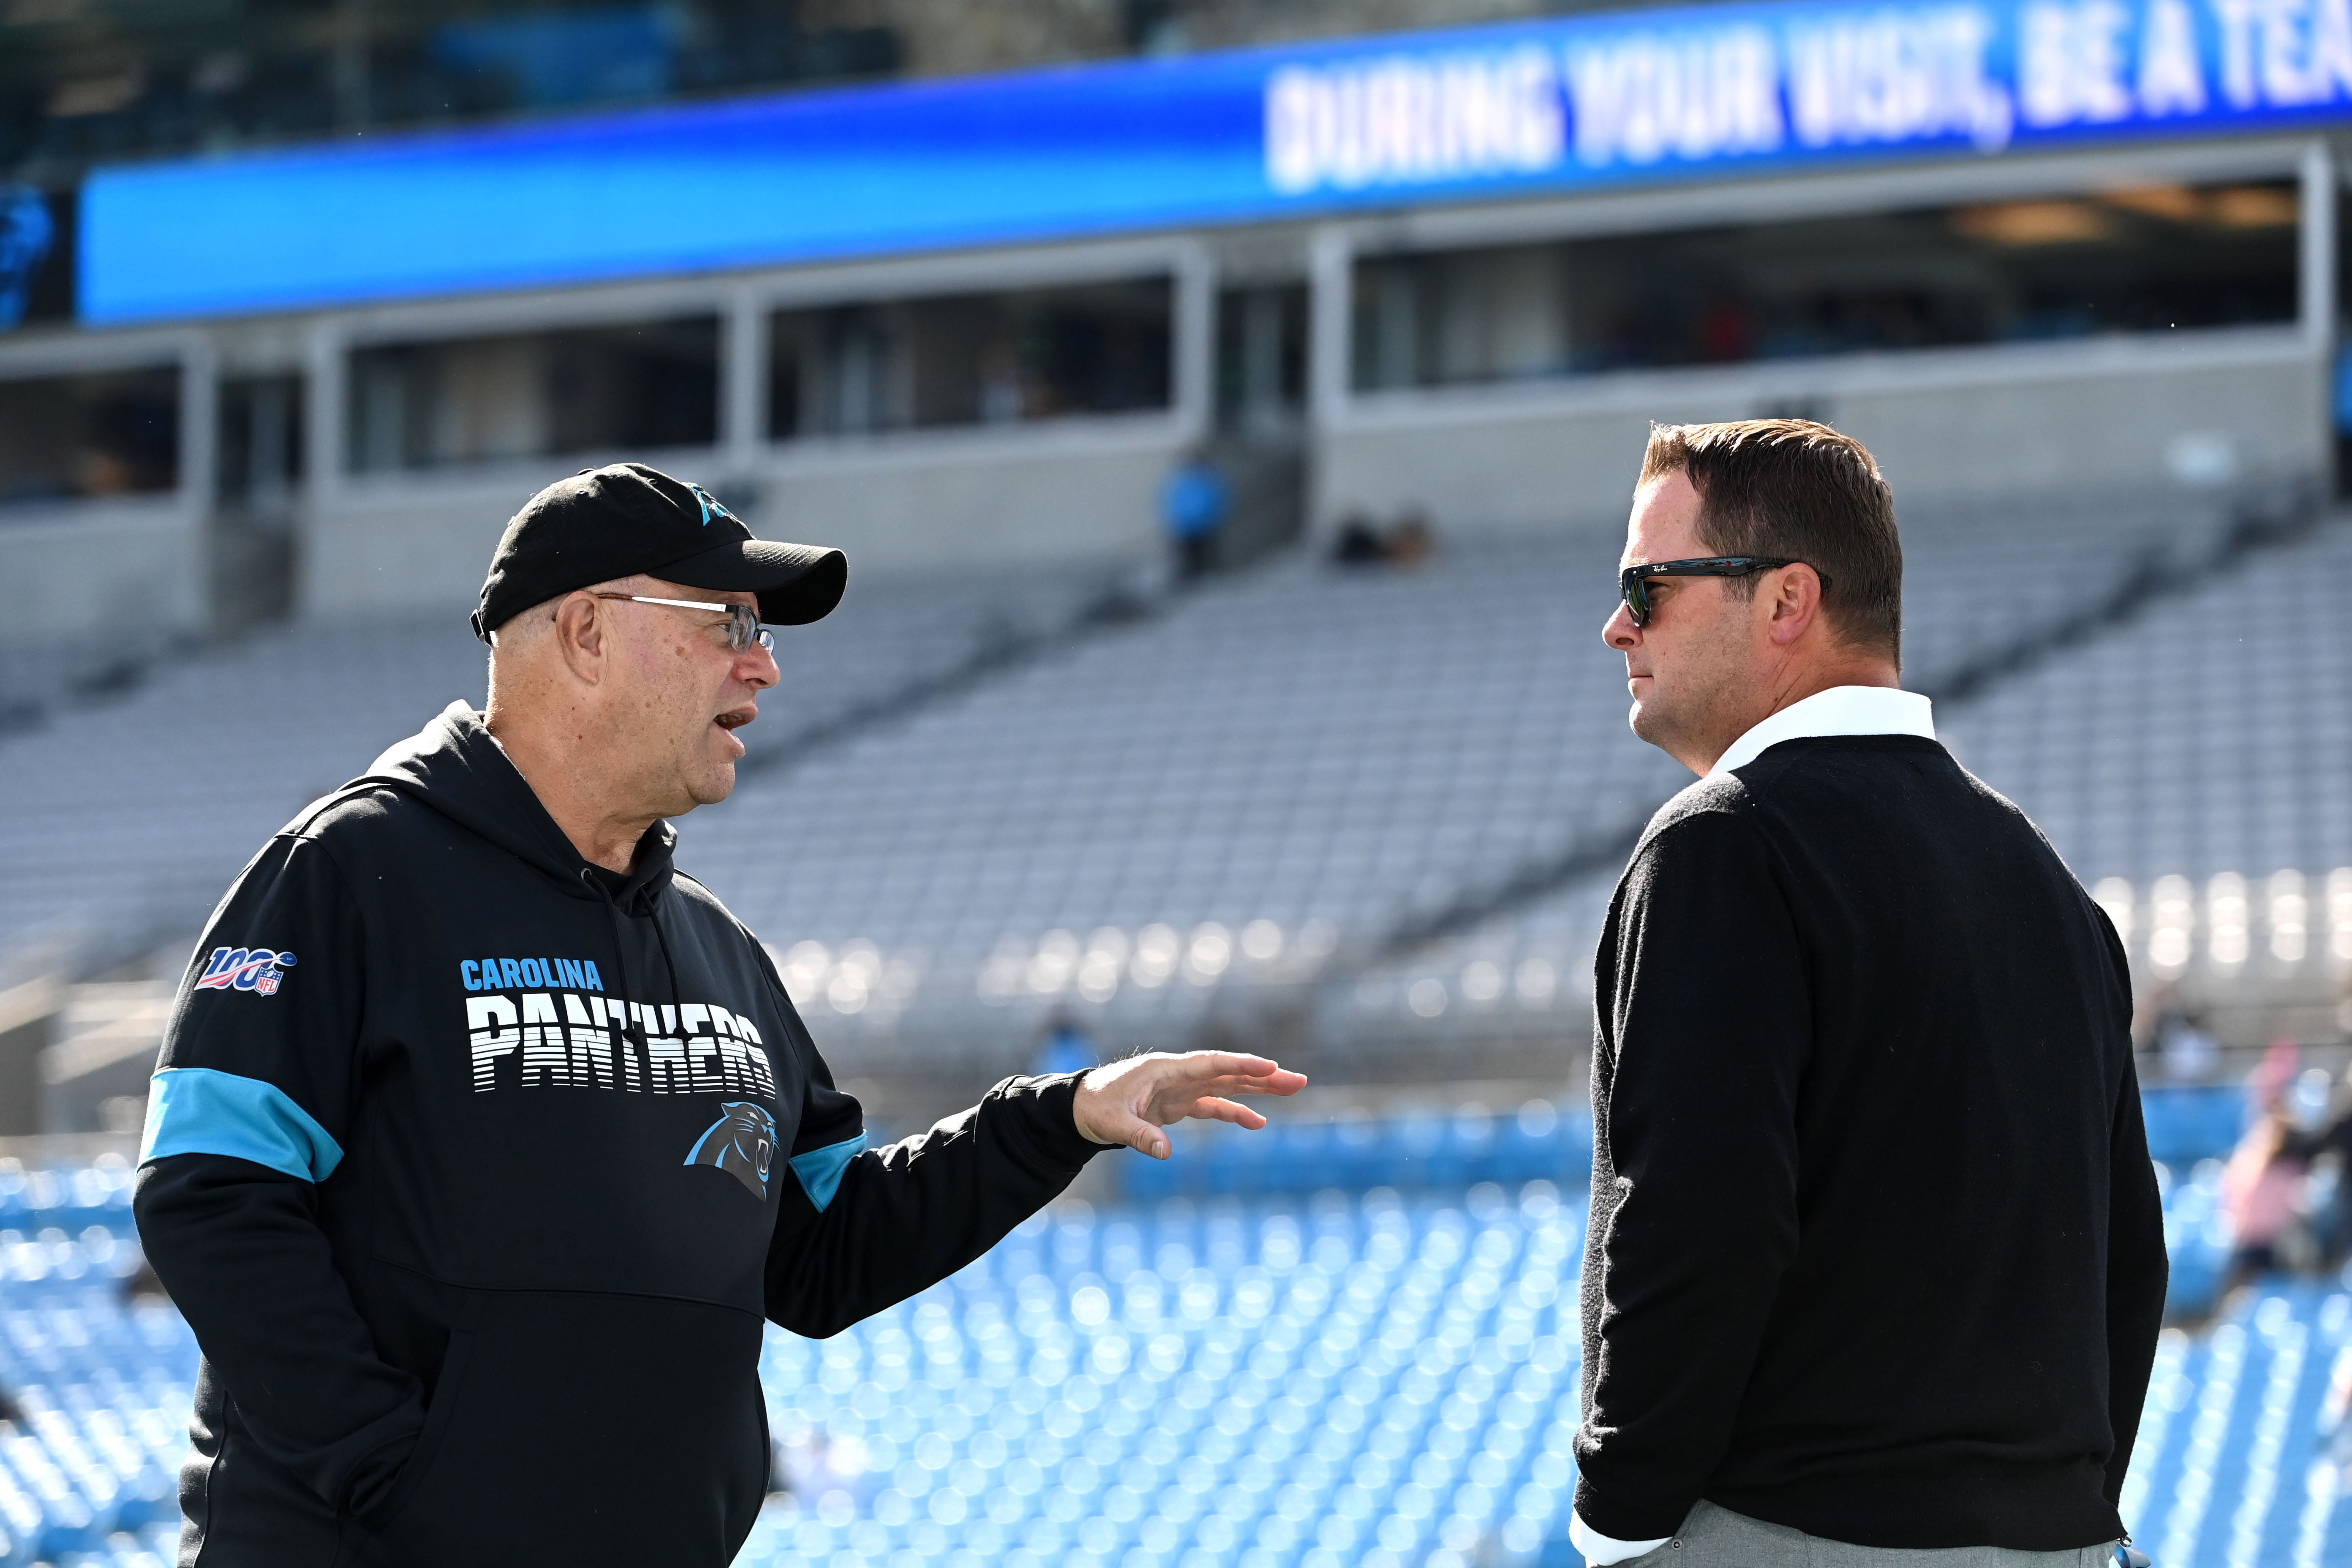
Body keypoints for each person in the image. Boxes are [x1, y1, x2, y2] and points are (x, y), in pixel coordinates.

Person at [132, 463, 1306, 1567]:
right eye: (728, 625)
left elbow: (827, 1250)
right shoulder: (352, 871)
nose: (765, 667)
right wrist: (395, 1478)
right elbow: (212, 1193)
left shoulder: (715, 946)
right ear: (587, 632)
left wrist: (1059, 1122)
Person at [1571, 421, 2167, 1567]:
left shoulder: (1722, 849)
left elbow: (1698, 1227)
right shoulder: (2049, 884)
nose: (1618, 626)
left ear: (1787, 600)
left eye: (1649, 585)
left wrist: (1621, 1522)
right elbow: (2125, 1259)